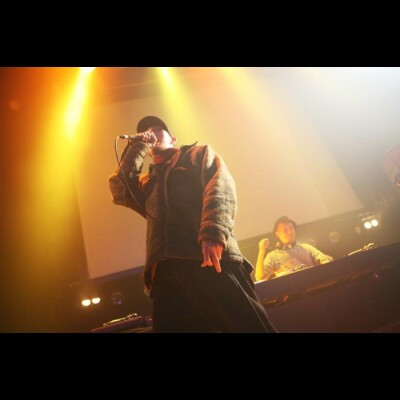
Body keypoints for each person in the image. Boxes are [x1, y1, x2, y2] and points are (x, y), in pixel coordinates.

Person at [108, 115, 276, 333]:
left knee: (246, 327)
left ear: (173, 139)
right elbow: (119, 188)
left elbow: (220, 185)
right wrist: (138, 146)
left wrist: (213, 233)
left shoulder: (198, 154)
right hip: (165, 273)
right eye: (147, 131)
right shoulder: (147, 181)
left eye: (157, 129)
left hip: (205, 258)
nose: (151, 133)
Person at [255, 216, 333, 282]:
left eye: (291, 228)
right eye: (285, 230)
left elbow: (325, 260)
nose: (290, 232)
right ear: (277, 234)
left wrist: (327, 260)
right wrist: (261, 252)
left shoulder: (306, 247)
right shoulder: (272, 256)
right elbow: (260, 278)